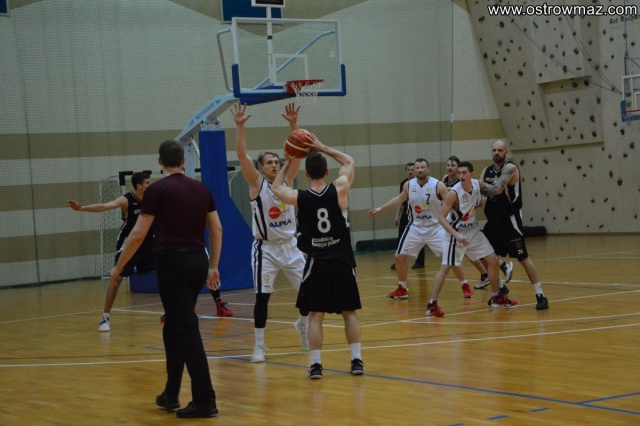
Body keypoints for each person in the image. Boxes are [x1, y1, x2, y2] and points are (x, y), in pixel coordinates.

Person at [110, 140, 221, 418]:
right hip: (198, 261)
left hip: (173, 265)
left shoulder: (156, 190)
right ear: (183, 161)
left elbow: (137, 234)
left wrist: (119, 267)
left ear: (160, 162)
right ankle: (171, 393)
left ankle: (205, 400)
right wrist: (213, 267)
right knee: (173, 327)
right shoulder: (201, 188)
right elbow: (217, 229)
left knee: (186, 328)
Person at [272, 134, 364, 380]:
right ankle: (356, 360)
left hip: (317, 264)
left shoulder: (300, 197)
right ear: (326, 172)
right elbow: (349, 161)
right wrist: (323, 147)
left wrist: (287, 161)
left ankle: (316, 365)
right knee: (349, 313)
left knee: (315, 316)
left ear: (306, 174)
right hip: (342, 262)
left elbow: (276, 188)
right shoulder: (340, 188)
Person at [230, 102, 309, 363]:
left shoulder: (288, 180)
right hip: (266, 249)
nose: (275, 165)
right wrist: (240, 126)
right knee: (262, 299)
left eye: (277, 162)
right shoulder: (256, 184)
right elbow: (242, 156)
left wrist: (293, 125)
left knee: (309, 293)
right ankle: (259, 345)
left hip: (291, 246)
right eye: (270, 163)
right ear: (262, 168)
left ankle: (303, 325)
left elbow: (298, 153)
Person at [368, 158, 474, 300]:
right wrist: (381, 208)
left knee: (451, 257)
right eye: (417, 168)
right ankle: (402, 288)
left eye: (422, 167)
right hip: (415, 228)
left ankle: (464, 285)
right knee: (399, 256)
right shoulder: (408, 185)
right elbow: (400, 199)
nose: (419, 170)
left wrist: (460, 217)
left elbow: (452, 202)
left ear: (428, 169)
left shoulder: (438, 185)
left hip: (436, 228)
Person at [67, 172, 157, 332]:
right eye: (148, 183)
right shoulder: (126, 200)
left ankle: (171, 312)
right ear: (139, 186)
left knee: (168, 272)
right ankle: (105, 317)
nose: (150, 185)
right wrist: (81, 208)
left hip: (150, 245)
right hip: (129, 246)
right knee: (116, 279)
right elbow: (103, 207)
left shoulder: (153, 199)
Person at [427, 162, 517, 317]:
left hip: (473, 231)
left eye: (464, 173)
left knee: (492, 260)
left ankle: (496, 297)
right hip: (456, 234)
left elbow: (496, 189)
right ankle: (431, 305)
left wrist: (509, 179)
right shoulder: (453, 193)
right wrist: (456, 235)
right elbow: (441, 218)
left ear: (471, 174)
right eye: (459, 173)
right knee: (446, 268)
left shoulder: (477, 185)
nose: (461, 176)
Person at [480, 139, 549, 310]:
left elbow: (496, 190)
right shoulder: (486, 170)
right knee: (482, 254)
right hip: (493, 220)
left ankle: (540, 294)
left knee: (523, 257)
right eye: (494, 150)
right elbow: (481, 189)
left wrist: (486, 187)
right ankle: (499, 289)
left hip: (509, 219)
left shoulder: (510, 168)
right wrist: (487, 187)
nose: (496, 153)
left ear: (506, 152)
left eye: (500, 150)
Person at [441, 156, 514, 289]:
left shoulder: (473, 183)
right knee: (471, 257)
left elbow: (489, 191)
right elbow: (446, 207)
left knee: (481, 257)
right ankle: (496, 276)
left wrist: (500, 185)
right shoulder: (445, 181)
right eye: (448, 165)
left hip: (469, 228)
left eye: (453, 165)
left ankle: (496, 277)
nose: (450, 168)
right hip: (455, 227)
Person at [391, 162, 425, 270]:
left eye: (412, 169)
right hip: (406, 214)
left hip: (417, 214)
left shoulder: (420, 182)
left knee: (420, 237)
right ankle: (399, 261)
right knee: (401, 236)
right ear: (406, 171)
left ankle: (420, 261)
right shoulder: (404, 183)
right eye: (408, 170)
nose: (410, 171)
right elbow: (401, 200)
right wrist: (397, 215)